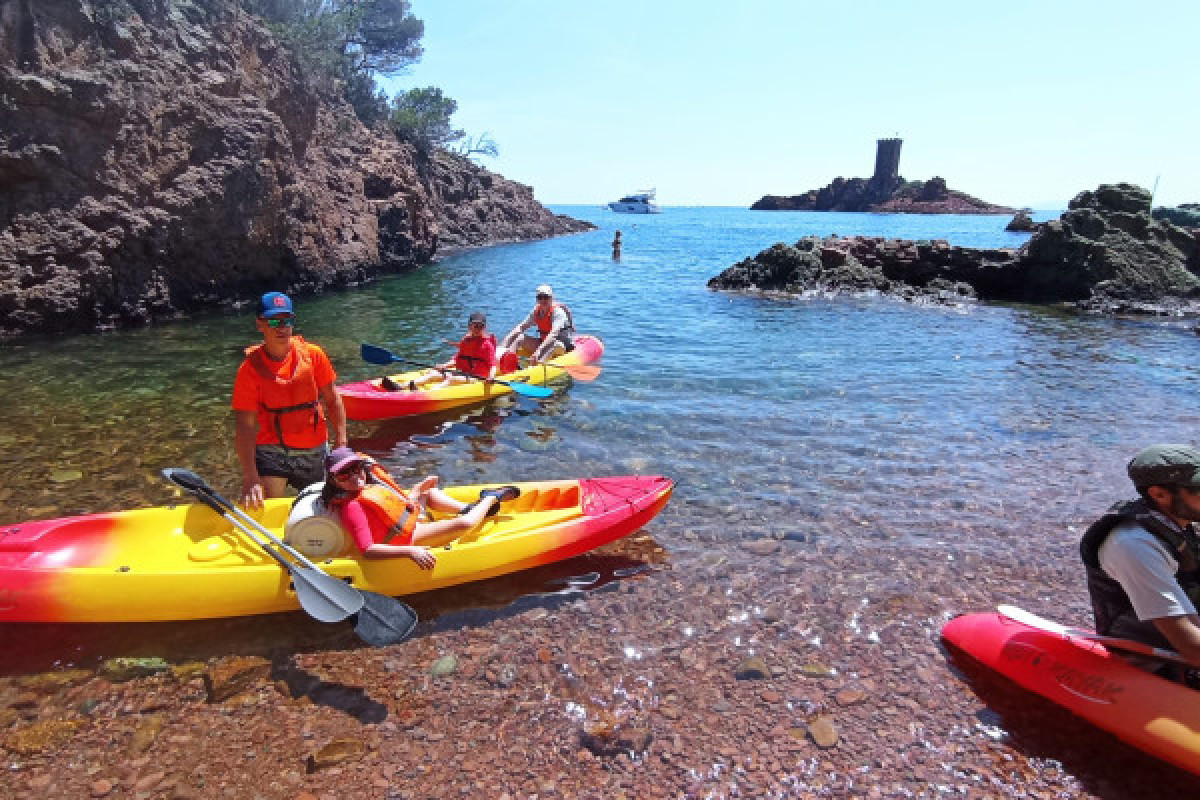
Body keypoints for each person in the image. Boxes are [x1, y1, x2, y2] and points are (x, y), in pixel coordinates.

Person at [1080, 444, 1200, 669]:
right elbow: (1191, 645)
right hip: (1159, 653)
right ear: (1159, 494)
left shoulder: (1182, 521)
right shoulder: (1134, 546)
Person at [232, 291, 348, 509]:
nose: (282, 327)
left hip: (313, 451)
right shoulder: (249, 370)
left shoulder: (313, 355)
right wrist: (250, 476)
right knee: (268, 508)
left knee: (321, 511)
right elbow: (245, 426)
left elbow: (333, 400)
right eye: (274, 321)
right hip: (272, 452)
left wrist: (341, 443)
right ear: (260, 324)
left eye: (288, 320)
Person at [320, 447, 519, 564]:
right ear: (335, 481)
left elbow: (397, 506)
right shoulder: (351, 506)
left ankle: (468, 509)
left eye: (356, 468)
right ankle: (491, 498)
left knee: (427, 492)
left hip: (404, 523)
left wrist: (416, 491)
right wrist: (410, 551)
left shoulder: (367, 487)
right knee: (465, 524)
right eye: (344, 474)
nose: (354, 476)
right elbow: (368, 550)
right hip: (405, 538)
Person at [404, 311, 499, 391]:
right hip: (464, 373)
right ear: (469, 327)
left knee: (452, 379)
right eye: (475, 326)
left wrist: (491, 377)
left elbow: (493, 365)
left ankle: (426, 394)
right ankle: (402, 387)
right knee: (433, 375)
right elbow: (457, 359)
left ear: (484, 327)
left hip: (478, 378)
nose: (478, 329)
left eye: (480, 326)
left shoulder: (487, 345)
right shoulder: (466, 341)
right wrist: (443, 366)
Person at [499, 284, 575, 365]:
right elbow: (521, 327)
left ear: (551, 298)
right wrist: (503, 345)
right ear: (537, 299)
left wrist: (538, 351)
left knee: (554, 343)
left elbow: (553, 334)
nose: (543, 300)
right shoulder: (537, 312)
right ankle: (507, 363)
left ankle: (536, 367)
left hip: (561, 347)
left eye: (546, 297)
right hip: (544, 344)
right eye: (540, 297)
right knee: (520, 337)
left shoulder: (558, 313)